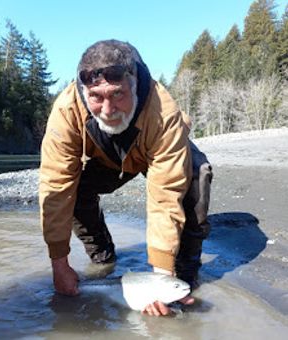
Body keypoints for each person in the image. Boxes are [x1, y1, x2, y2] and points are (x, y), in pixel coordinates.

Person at [39, 39, 212, 316]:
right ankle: (103, 261)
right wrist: (59, 264)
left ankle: (186, 275)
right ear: (84, 91)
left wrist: (162, 278)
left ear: (133, 84)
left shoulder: (163, 112)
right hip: (107, 158)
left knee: (197, 174)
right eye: (96, 97)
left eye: (117, 94)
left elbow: (165, 197)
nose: (108, 109)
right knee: (73, 190)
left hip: (152, 153)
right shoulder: (65, 111)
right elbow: (56, 188)